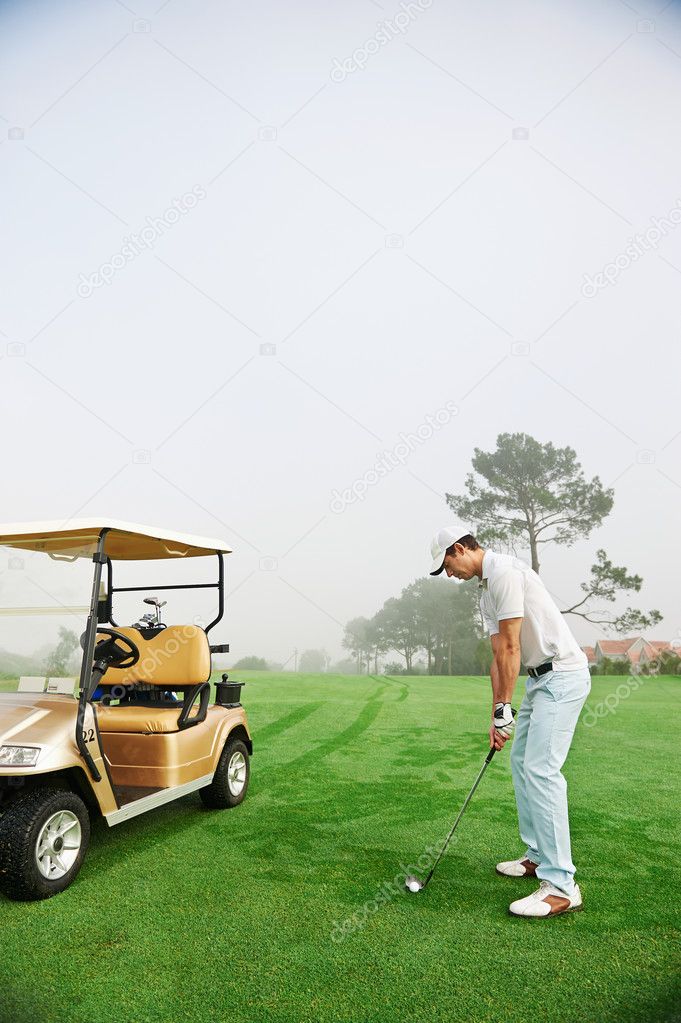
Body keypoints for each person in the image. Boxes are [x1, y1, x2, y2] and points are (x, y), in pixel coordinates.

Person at [429, 524, 591, 918]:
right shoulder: (486, 589)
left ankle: (562, 886)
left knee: (542, 770)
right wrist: (497, 712)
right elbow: (498, 652)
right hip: (540, 679)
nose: (448, 574)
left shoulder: (503, 572)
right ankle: (537, 855)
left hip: (563, 675)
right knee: (522, 763)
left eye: (447, 565)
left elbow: (515, 646)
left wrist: (506, 706)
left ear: (459, 548)